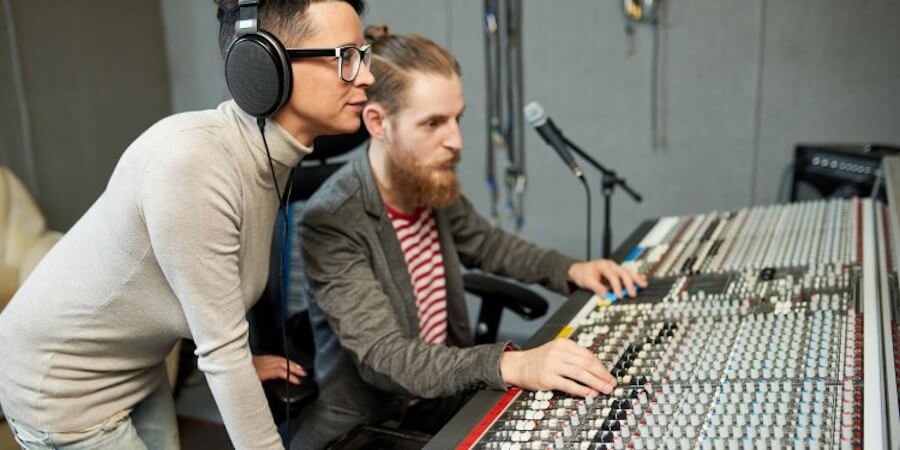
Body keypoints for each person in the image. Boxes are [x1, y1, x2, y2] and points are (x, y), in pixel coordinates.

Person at [0, 1, 372, 449]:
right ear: (265, 64)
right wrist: (227, 357)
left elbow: (198, 293)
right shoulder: (192, 164)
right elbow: (220, 349)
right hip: (62, 387)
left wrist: (232, 354)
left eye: (362, 55)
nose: (366, 76)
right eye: (345, 57)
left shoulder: (265, 157)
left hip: (135, 366)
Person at [290, 26, 647, 449]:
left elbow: (489, 245)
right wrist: (510, 364)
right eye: (434, 123)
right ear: (378, 122)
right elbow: (385, 358)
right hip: (373, 427)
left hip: (440, 400)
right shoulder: (332, 220)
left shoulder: (427, 181)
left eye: (457, 118)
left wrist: (570, 269)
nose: (456, 141)